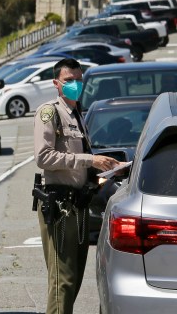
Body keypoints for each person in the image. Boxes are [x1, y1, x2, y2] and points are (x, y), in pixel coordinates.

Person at [33, 58, 119, 314]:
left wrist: (105, 168)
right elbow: (43, 156)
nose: (75, 85)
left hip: (78, 204)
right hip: (59, 206)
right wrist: (89, 159)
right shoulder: (49, 112)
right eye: (69, 80)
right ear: (56, 83)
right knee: (63, 280)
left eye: (78, 80)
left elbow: (80, 160)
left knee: (75, 279)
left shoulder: (77, 114)